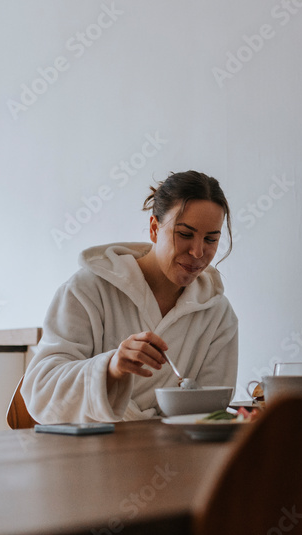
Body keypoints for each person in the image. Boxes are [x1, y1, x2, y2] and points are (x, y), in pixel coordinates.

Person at [22, 170, 238, 423]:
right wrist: (111, 368)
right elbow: (41, 391)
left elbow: (211, 412)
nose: (198, 252)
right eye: (185, 234)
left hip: (173, 453)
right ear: (155, 228)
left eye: (211, 239)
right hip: (89, 454)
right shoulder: (88, 289)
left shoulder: (218, 312)